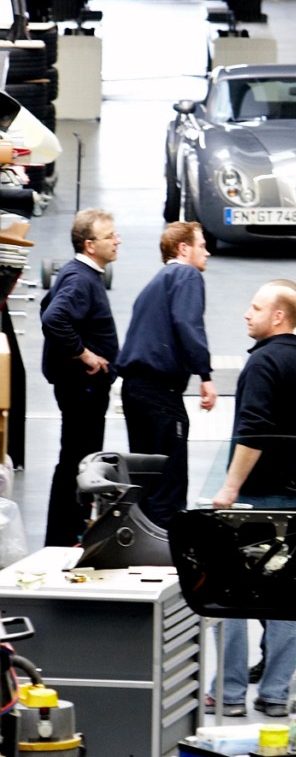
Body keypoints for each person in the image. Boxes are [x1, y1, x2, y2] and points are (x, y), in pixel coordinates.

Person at [212, 281, 296, 718]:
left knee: (229, 593)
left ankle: (228, 694)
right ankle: (277, 694)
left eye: (256, 307)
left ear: (278, 316)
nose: (247, 314)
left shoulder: (263, 362)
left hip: (257, 500)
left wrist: (229, 488)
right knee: (287, 599)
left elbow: (254, 431)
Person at [115, 221, 217, 529]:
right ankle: (167, 548)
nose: (207, 253)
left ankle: (143, 541)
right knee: (169, 480)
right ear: (183, 249)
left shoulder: (155, 284)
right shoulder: (187, 275)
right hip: (160, 394)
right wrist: (205, 375)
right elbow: (188, 324)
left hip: (135, 391)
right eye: (202, 246)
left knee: (146, 475)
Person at [39, 209, 121, 546]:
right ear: (89, 245)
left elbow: (47, 305)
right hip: (82, 388)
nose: (117, 241)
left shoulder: (78, 274)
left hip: (81, 388)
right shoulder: (81, 279)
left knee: (76, 459)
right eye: (109, 236)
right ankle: (64, 537)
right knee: (78, 461)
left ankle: (65, 534)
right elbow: (53, 317)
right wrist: (84, 353)